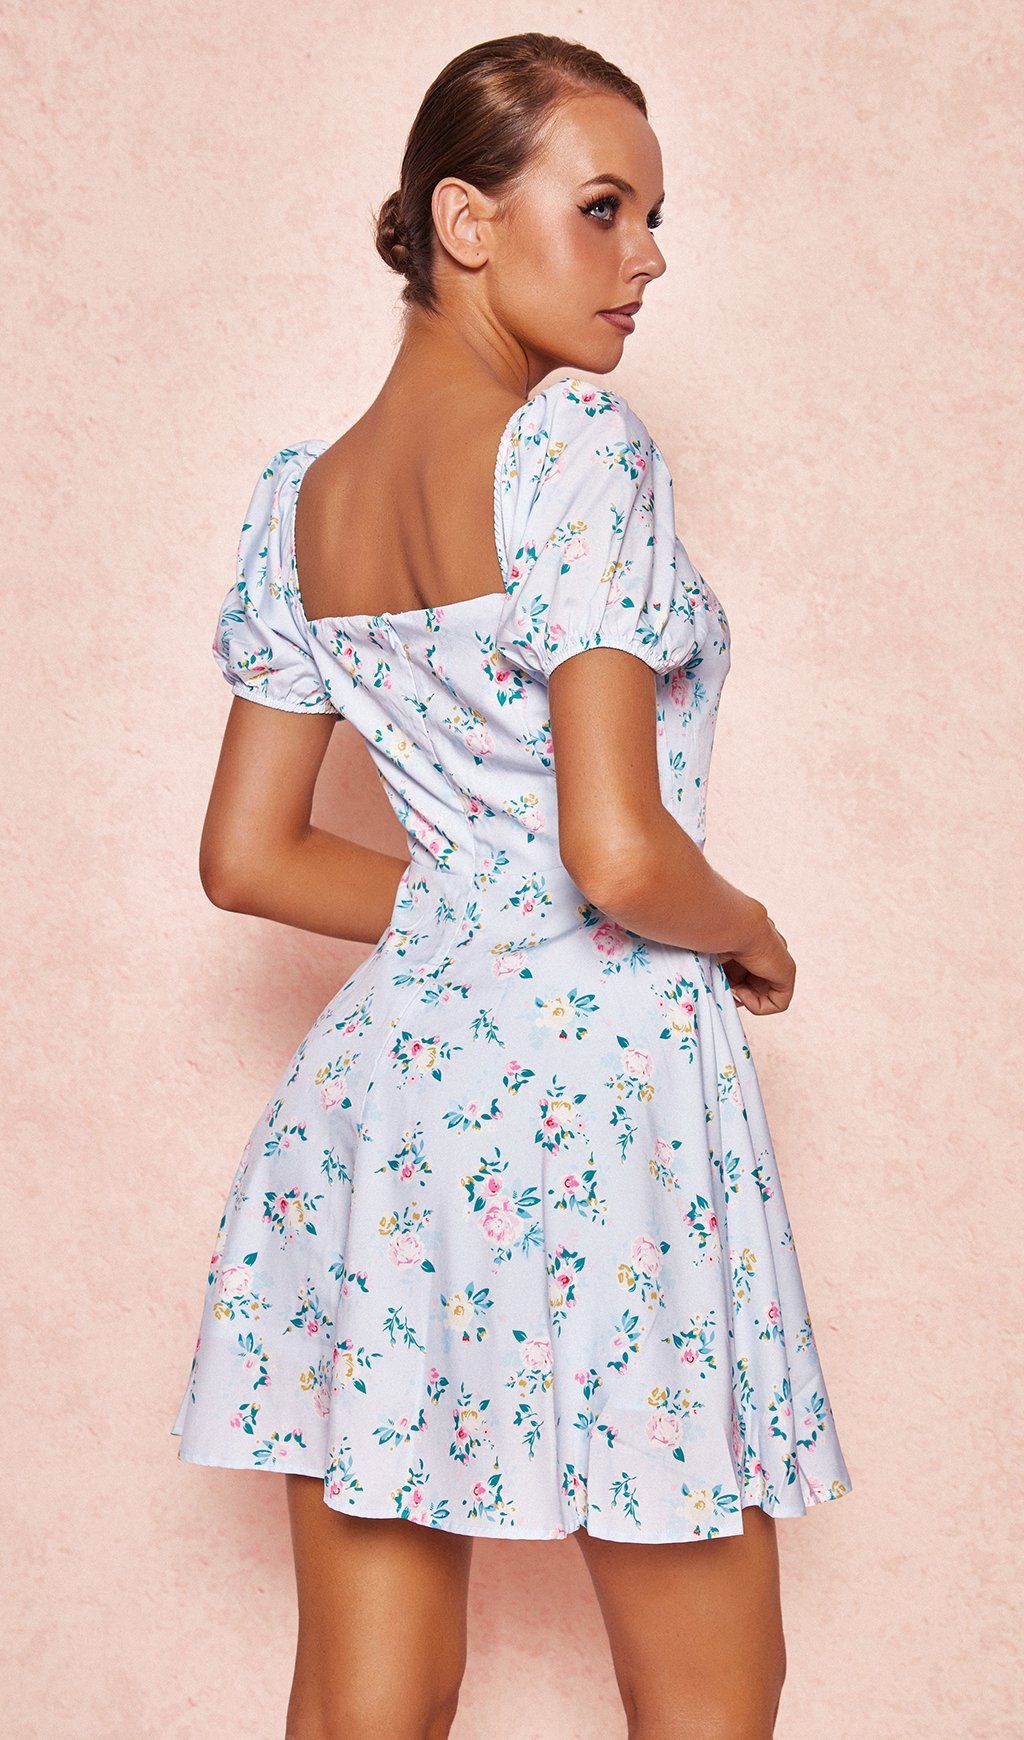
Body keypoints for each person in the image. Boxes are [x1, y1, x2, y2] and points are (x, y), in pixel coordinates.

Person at [171, 31, 853, 1740]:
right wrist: (750, 931)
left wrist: (471, 910)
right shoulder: (576, 447)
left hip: (389, 1104)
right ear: (466, 223)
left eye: (655, 216)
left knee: (366, 1699)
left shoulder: (304, 502)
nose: (648, 258)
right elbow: (619, 853)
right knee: (710, 1701)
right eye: (605, 208)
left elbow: (250, 855)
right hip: (602, 1102)